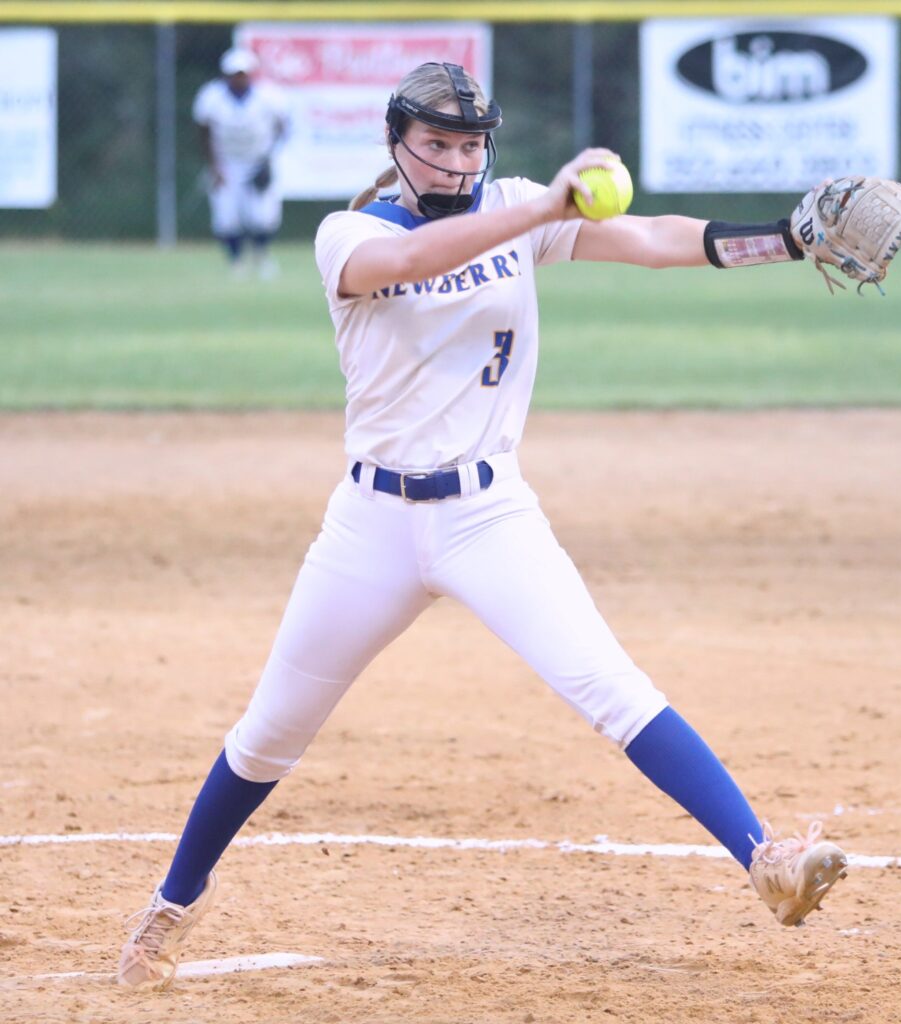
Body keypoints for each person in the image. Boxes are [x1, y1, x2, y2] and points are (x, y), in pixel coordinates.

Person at [118, 62, 848, 990]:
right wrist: (544, 206)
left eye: (471, 146)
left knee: (614, 690)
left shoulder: (514, 209)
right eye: (437, 144)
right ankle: (168, 911)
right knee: (269, 734)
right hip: (371, 525)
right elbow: (421, 260)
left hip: (488, 513)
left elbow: (656, 239)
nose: (458, 164)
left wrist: (783, 239)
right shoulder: (348, 233)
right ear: (396, 144)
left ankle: (767, 859)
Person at [192, 47, 290, 279]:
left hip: (257, 161)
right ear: (225, 75)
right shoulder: (211, 97)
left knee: (263, 216)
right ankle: (235, 261)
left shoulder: (268, 96)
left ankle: (262, 255)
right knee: (226, 217)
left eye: (242, 73)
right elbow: (203, 132)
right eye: (234, 73)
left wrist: (269, 159)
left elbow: (282, 126)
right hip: (227, 163)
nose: (238, 78)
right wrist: (214, 166)